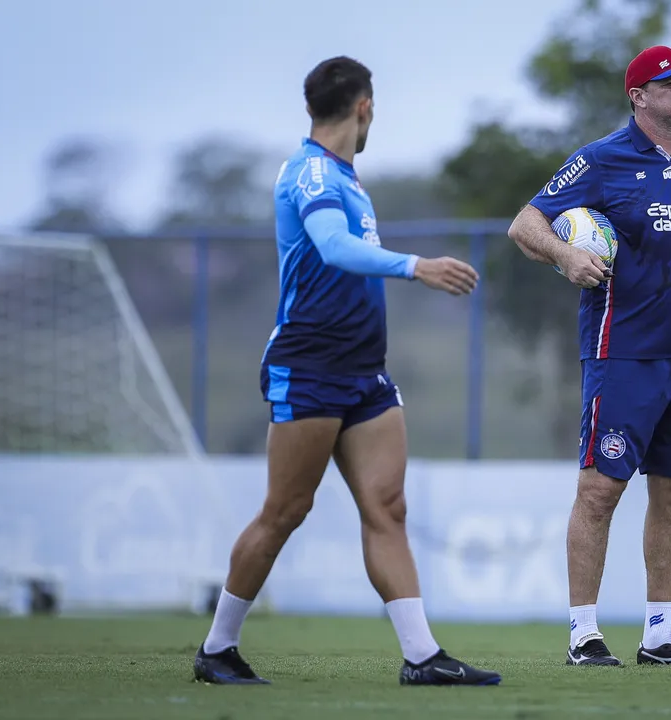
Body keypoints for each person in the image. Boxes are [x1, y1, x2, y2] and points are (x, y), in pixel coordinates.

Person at [193, 56, 501, 687]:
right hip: (308, 365)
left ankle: (422, 657)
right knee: (286, 509)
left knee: (387, 507)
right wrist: (417, 266)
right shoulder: (310, 174)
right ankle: (217, 649)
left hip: (366, 371)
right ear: (364, 106)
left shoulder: (347, 176)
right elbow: (334, 249)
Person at [507, 45, 671, 667]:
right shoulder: (601, 159)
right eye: (669, 82)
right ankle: (583, 635)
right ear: (638, 96)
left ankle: (659, 635)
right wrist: (566, 255)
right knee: (601, 491)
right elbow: (525, 224)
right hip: (622, 352)